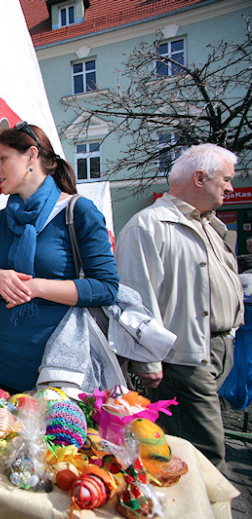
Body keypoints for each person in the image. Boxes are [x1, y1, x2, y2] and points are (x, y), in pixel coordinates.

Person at [116, 143, 243, 467]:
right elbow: (135, 296)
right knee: (207, 454)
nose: (231, 187)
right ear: (200, 178)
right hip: (181, 359)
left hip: (213, 349)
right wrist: (147, 359)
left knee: (187, 450)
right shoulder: (150, 225)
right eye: (226, 179)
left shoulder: (209, 224)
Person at [0, 123, 118, 393]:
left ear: (31, 156)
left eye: (3, 159)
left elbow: (106, 288)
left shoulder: (79, 211)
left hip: (63, 368)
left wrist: (36, 287)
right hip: (5, 362)